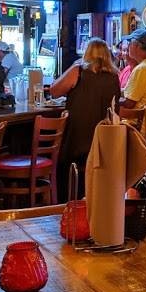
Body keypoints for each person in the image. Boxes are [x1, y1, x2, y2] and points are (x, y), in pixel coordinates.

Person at [49, 38, 121, 197]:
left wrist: (74, 67)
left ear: (86, 54)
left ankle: (64, 198)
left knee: (59, 152)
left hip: (77, 143)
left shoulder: (79, 71)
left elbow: (54, 91)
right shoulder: (114, 77)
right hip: (104, 143)